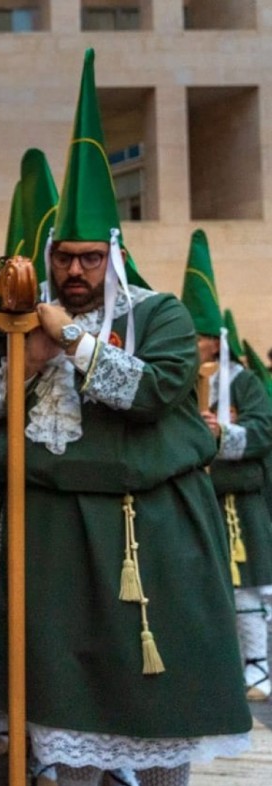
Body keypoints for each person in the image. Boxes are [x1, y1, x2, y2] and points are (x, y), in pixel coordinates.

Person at [0, 50, 250, 786]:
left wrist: (74, 340)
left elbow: (154, 392)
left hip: (144, 537)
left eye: (90, 259)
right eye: (65, 259)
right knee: (57, 725)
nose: (76, 273)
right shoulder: (14, 329)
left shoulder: (163, 316)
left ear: (112, 257)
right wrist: (20, 362)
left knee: (156, 713)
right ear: (48, 258)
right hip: (47, 537)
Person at [181, 235, 272, 702]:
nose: (195, 348)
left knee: (248, 589)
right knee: (204, 591)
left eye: (200, 339)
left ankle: (256, 665)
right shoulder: (176, 378)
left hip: (239, 502)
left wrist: (217, 436)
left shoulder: (246, 383)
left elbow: (261, 433)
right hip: (197, 501)